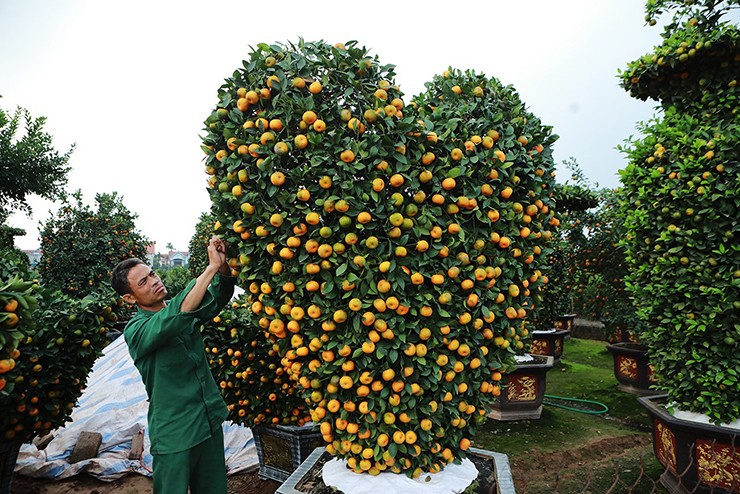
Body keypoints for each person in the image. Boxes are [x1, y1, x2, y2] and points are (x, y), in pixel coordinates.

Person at [110, 235, 235, 494]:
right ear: (129, 299)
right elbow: (178, 314)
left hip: (208, 422)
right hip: (176, 433)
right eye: (143, 282)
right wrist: (209, 268)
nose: (155, 281)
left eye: (152, 274)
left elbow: (217, 297)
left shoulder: (182, 309)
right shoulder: (138, 330)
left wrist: (222, 266)